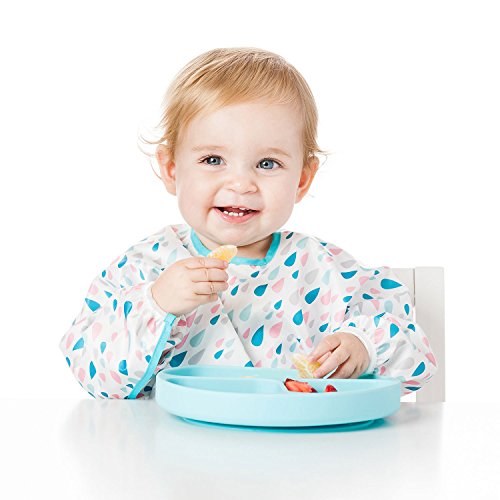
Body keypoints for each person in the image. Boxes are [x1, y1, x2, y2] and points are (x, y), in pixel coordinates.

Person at [59, 47, 437, 399]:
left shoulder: (326, 271)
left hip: (303, 446)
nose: (241, 184)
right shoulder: (145, 267)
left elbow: (416, 357)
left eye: (267, 164)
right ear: (171, 168)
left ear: (302, 179)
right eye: (212, 160)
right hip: (175, 447)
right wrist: (156, 305)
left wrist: (363, 347)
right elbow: (92, 372)